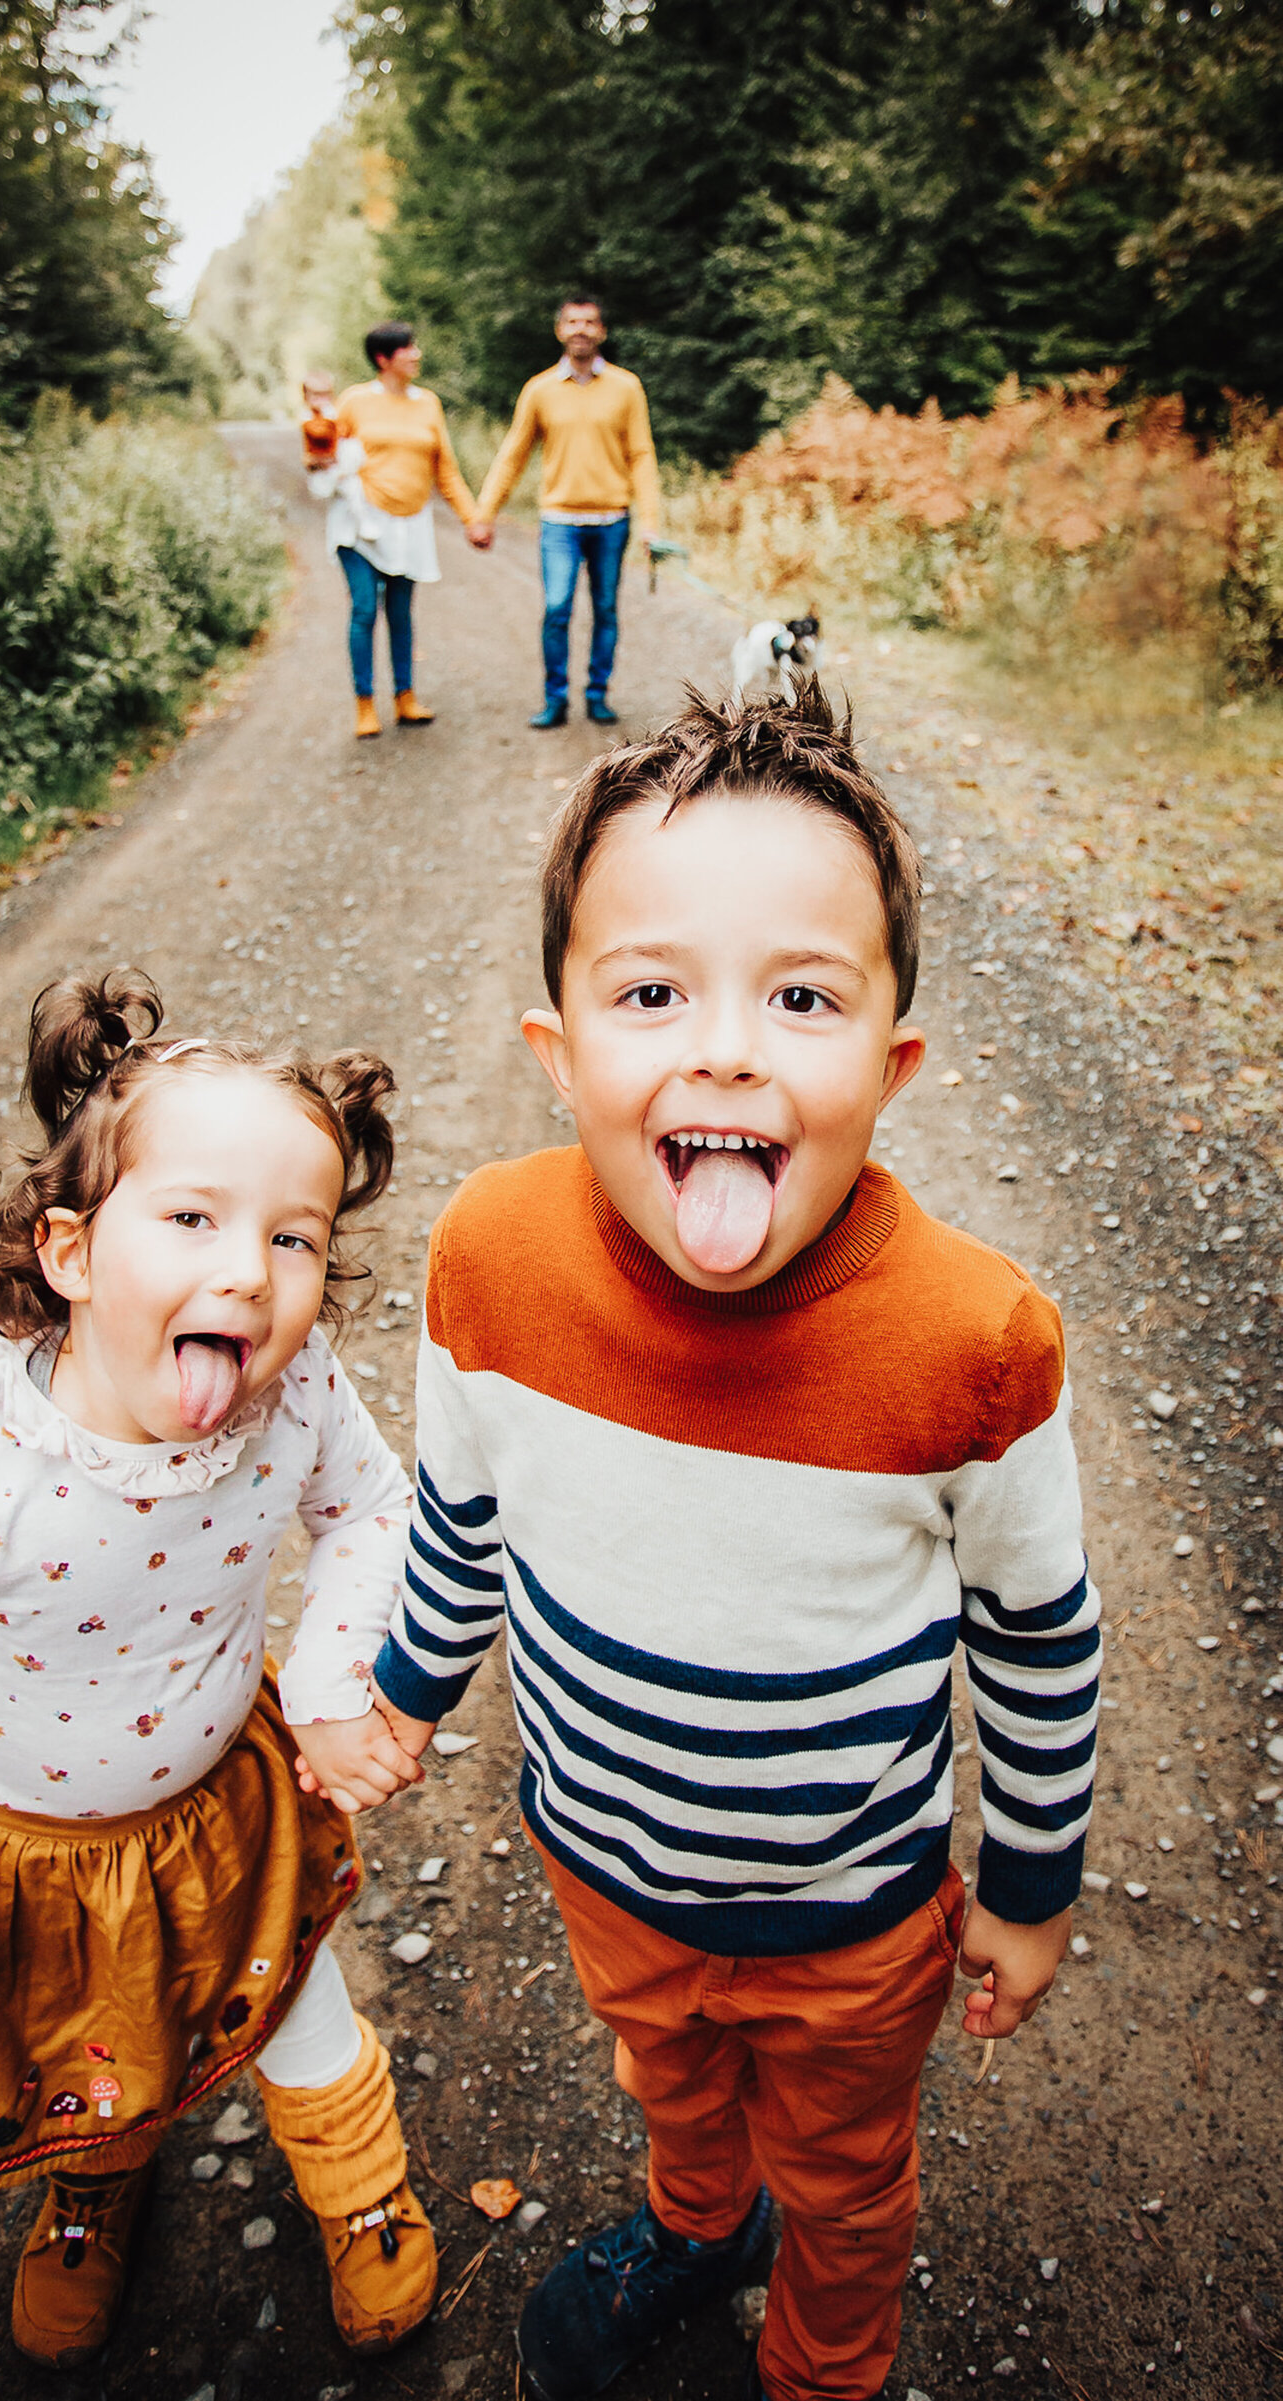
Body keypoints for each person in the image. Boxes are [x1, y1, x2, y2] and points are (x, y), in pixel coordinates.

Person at [365, 684, 1100, 2401]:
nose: (725, 1048)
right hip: (602, 1855)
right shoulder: (487, 1260)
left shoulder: (976, 1343)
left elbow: (1040, 1638)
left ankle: (825, 2361)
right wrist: (405, 1685)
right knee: (667, 2079)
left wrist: (1036, 1881)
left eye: (800, 997)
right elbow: (459, 1507)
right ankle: (701, 2225)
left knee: (847, 2182)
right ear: (558, 1051)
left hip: (853, 1918)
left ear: (891, 1065)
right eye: (650, 992)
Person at [0, 969, 437, 2372]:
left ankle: (357, 2174)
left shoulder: (298, 1388)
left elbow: (377, 1511)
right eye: (193, 1220)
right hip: (17, 1853)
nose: (250, 1275)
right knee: (83, 2047)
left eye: (295, 1237)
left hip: (221, 1809)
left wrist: (329, 1682)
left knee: (294, 1995)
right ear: (72, 1253)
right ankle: (92, 2191)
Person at [471, 293, 661, 729]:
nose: (581, 329)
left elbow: (642, 455)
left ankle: (597, 694)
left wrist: (651, 523)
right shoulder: (539, 390)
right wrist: (485, 513)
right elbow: (512, 455)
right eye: (573, 321)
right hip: (559, 521)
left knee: (606, 609)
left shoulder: (626, 387)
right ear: (560, 330)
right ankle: (555, 698)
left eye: (590, 322)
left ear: (602, 332)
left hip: (612, 520)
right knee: (557, 608)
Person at [310, 319, 483, 739]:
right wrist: (318, 456)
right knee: (366, 608)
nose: (416, 354)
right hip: (359, 526)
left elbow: (446, 469)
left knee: (401, 613)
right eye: (408, 348)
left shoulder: (428, 404)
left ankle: (405, 698)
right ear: (384, 359)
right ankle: (364, 704)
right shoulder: (354, 402)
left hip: (410, 524)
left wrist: (472, 517)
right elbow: (323, 450)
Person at [301, 368, 341, 469]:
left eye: (325, 394)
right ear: (306, 397)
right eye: (316, 394)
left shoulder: (333, 413)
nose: (321, 400)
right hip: (318, 464)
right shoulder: (308, 417)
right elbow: (318, 432)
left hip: (335, 463)